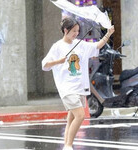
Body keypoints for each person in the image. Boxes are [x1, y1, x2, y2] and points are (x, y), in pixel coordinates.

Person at [42, 17, 114, 150]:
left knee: (71, 118)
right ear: (65, 30)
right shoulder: (57, 47)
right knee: (80, 115)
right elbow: (45, 65)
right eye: (74, 31)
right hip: (67, 88)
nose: (76, 33)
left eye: (78, 31)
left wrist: (108, 34)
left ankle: (66, 145)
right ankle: (69, 145)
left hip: (80, 87)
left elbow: (97, 46)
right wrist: (58, 61)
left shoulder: (80, 44)